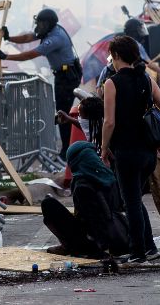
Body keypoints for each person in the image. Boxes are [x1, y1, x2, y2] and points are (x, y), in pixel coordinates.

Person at [100, 35, 160, 264]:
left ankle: (138, 252)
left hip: (126, 151)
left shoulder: (111, 83)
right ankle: (149, 247)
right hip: (148, 153)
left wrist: (103, 149)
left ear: (117, 56)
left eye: (112, 56)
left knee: (130, 202)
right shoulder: (146, 79)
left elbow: (109, 122)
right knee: (134, 200)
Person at [43, 96, 130, 259]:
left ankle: (73, 245)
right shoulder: (105, 174)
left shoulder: (83, 183)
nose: (79, 119)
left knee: (49, 205)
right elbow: (84, 124)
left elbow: (87, 218)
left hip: (95, 240)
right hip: (117, 234)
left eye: (81, 115)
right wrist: (69, 119)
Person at [0, 8, 81, 160]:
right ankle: (67, 150)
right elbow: (29, 37)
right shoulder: (49, 30)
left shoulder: (55, 38)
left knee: (63, 113)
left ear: (48, 23)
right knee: (62, 112)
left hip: (67, 76)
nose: (38, 26)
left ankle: (67, 151)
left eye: (41, 23)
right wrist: (10, 38)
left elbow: (30, 54)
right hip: (63, 74)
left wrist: (6, 56)